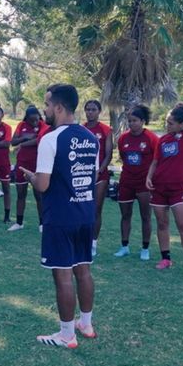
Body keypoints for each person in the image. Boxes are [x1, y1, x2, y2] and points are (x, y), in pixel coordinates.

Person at [20, 84, 98, 349]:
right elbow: (89, 176)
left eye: (47, 104)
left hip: (61, 216)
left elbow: (42, 185)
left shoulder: (50, 139)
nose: (44, 110)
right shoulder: (91, 138)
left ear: (59, 107)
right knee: (83, 270)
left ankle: (66, 335)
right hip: (85, 214)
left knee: (63, 275)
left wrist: (31, 177)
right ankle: (86, 324)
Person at [145, 102, 183, 277]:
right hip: (159, 187)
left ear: (182, 124)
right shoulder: (163, 140)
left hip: (179, 188)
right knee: (162, 224)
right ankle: (166, 259)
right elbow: (155, 162)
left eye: (171, 123)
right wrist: (149, 177)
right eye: (166, 121)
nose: (167, 125)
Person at [114, 105, 159, 260]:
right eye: (130, 121)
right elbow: (123, 156)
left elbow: (157, 159)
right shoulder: (123, 138)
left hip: (144, 183)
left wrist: (151, 178)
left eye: (135, 120)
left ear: (142, 121)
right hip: (126, 181)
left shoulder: (151, 138)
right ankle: (124, 246)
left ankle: (145, 249)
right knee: (125, 215)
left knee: (145, 216)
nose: (132, 123)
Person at [9, 105, 47, 231]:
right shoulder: (21, 125)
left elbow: (38, 140)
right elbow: (13, 142)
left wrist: (22, 144)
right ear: (27, 118)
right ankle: (19, 223)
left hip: (37, 164)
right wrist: (24, 137)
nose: (35, 122)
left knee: (38, 195)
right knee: (21, 194)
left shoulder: (43, 125)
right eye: (32, 120)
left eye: (36, 119)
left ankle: (42, 224)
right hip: (22, 163)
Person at [82, 100, 113, 254]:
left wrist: (98, 171)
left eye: (93, 109)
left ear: (99, 111)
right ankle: (82, 240)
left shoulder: (106, 130)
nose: (90, 112)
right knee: (82, 209)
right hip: (82, 174)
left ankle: (93, 243)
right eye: (88, 109)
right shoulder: (81, 128)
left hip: (100, 175)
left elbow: (108, 154)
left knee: (96, 209)